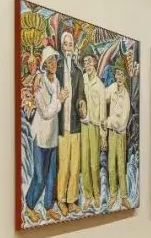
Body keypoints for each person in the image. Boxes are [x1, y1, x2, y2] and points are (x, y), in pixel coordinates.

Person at [24, 47, 65, 223]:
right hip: (41, 137)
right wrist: (59, 100)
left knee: (50, 176)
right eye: (50, 61)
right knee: (40, 177)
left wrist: (58, 101)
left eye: (55, 60)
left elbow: (56, 108)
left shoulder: (57, 82)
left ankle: (48, 207)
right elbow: (46, 113)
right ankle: (29, 206)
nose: (53, 64)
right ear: (45, 65)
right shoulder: (39, 84)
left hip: (52, 136)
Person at [55, 29, 85, 216]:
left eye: (71, 44)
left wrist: (82, 104)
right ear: (61, 46)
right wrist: (58, 97)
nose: (68, 47)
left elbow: (81, 96)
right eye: (65, 44)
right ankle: (61, 199)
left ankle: (72, 200)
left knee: (75, 166)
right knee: (64, 165)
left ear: (73, 47)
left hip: (75, 126)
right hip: (62, 126)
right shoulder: (57, 68)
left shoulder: (78, 71)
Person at [78, 48, 105, 213]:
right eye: (85, 62)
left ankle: (97, 194)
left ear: (94, 62)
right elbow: (79, 97)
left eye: (89, 61)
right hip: (84, 125)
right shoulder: (82, 79)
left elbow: (103, 112)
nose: (87, 64)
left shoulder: (99, 85)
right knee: (85, 162)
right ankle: (87, 196)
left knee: (94, 164)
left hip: (94, 126)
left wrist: (103, 134)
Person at [105, 59, 132, 210]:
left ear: (125, 77)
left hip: (120, 134)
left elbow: (122, 123)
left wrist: (109, 121)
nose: (118, 77)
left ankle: (124, 197)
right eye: (117, 74)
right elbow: (103, 96)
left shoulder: (126, 95)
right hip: (111, 134)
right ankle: (112, 195)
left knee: (121, 165)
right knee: (111, 165)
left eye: (121, 74)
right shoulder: (112, 88)